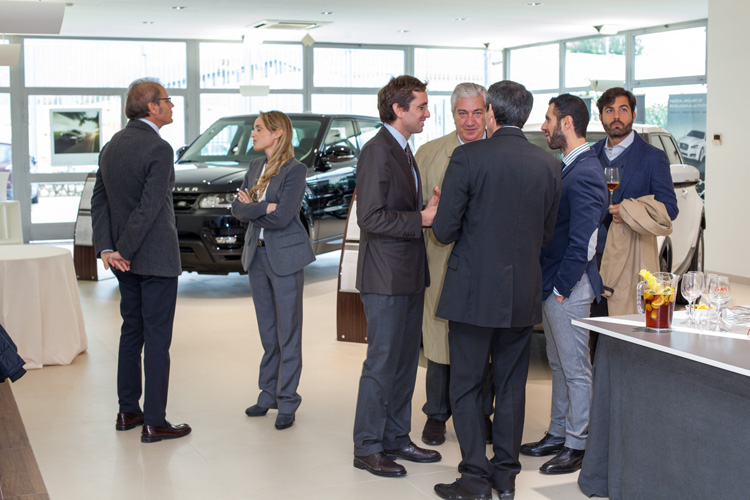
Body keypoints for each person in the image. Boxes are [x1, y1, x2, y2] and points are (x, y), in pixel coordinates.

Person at [431, 80, 561, 500]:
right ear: (526, 116)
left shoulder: (468, 157)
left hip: (472, 293)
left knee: (466, 386)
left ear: (489, 112)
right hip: (521, 292)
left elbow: (445, 230)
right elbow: (545, 235)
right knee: (511, 386)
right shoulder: (549, 165)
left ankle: (474, 479)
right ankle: (505, 478)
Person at [91, 78, 191, 443]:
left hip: (123, 262)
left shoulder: (111, 146)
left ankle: (127, 410)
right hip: (154, 258)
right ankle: (155, 421)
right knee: (158, 340)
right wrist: (125, 249)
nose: (172, 105)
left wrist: (108, 249)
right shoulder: (159, 148)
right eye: (167, 99)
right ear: (152, 106)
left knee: (131, 332)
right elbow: (150, 208)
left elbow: (99, 200)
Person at [352, 75, 442, 478]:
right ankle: (367, 447)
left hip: (408, 275)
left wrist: (426, 211)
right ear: (398, 109)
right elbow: (370, 217)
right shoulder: (377, 151)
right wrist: (421, 218)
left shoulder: (404, 150)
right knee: (382, 364)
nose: (427, 113)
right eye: (421, 106)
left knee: (405, 363)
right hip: (385, 278)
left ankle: (396, 438)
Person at [519, 94, 608, 474]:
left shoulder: (586, 171)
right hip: (556, 284)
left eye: (549, 119)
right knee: (558, 364)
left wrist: (560, 289)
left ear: (567, 123)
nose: (544, 126)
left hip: (568, 288)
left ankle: (577, 443)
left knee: (575, 369)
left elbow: (584, 243)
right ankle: (557, 434)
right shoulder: (569, 166)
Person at [415, 82, 493, 447]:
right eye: (463, 113)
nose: (470, 121)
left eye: (477, 112)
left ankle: (481, 413)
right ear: (452, 114)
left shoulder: (499, 152)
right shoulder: (429, 154)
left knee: (483, 342)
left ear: (488, 114)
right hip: (441, 260)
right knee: (439, 340)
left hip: (487, 265)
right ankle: (436, 414)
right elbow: (413, 210)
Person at [231, 111, 315, 431]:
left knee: (288, 332)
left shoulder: (295, 170)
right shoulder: (255, 166)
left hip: (286, 258)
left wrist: (253, 208)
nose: (253, 134)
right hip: (257, 255)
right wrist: (263, 207)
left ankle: (288, 399)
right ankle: (268, 394)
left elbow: (283, 218)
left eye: (258, 129)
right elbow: (237, 209)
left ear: (277, 133)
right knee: (268, 332)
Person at [590, 87, 678, 318]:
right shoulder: (590, 154)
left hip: (630, 261)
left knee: (622, 325)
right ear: (601, 117)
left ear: (633, 114)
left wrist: (630, 211)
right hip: (590, 259)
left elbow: (669, 209)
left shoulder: (653, 157)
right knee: (591, 326)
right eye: (609, 110)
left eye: (623, 109)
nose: (616, 116)